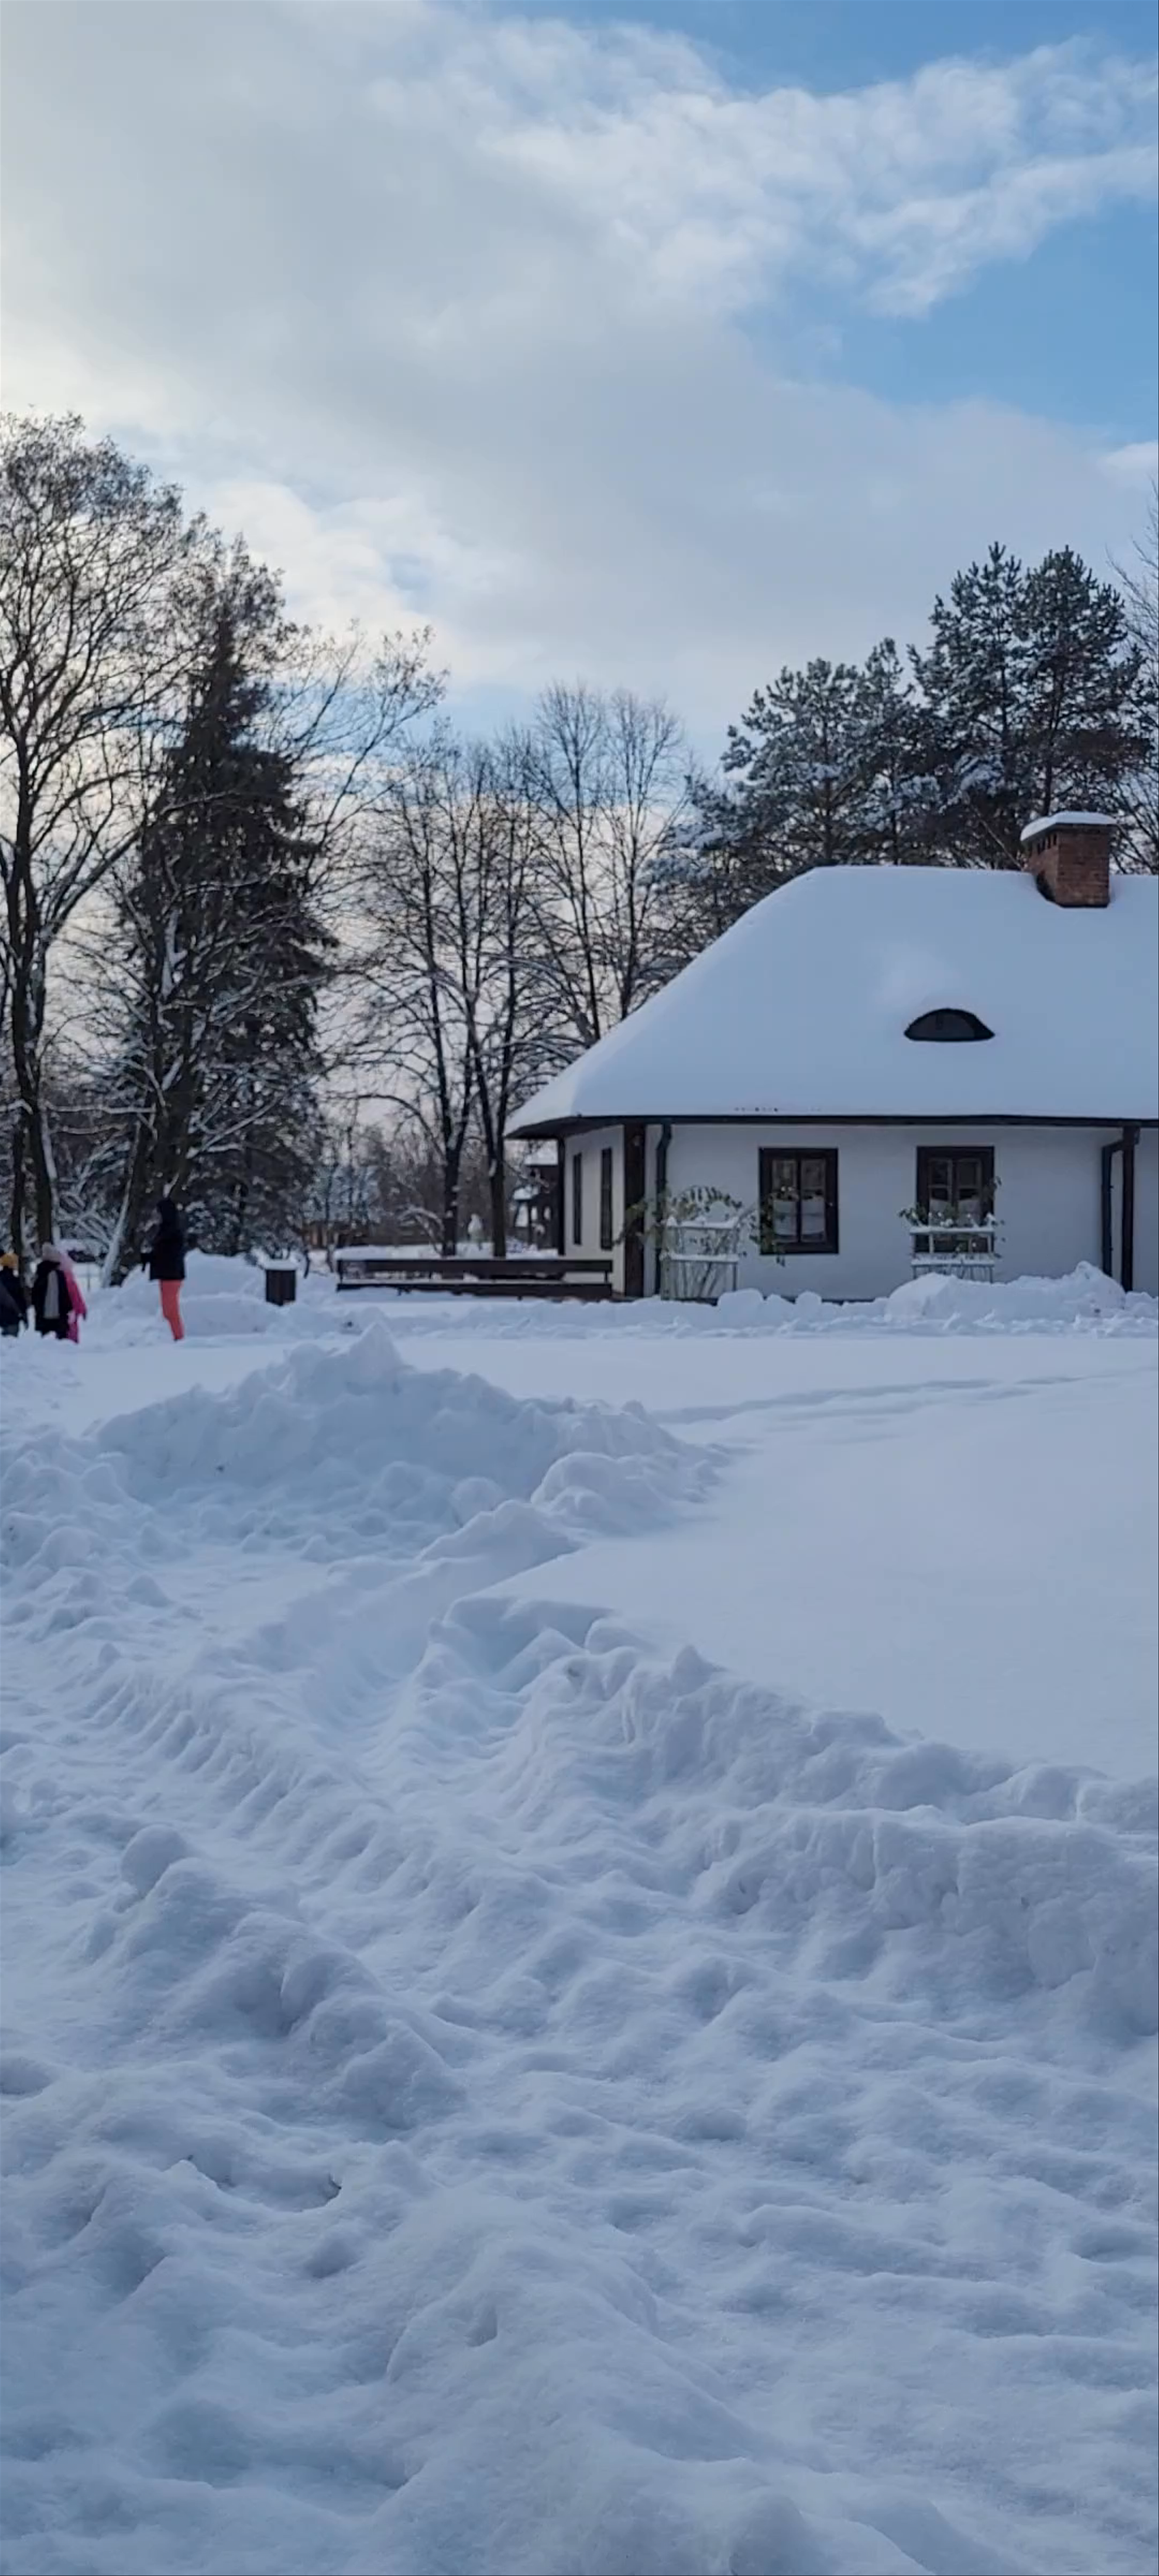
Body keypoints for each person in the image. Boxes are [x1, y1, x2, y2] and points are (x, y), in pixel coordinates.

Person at [146, 1195, 186, 1340]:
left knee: (171, 1311)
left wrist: (154, 1257)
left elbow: (169, 1254)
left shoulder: (173, 1232)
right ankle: (175, 1337)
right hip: (167, 1274)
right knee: (168, 1311)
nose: (156, 1216)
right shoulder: (165, 1230)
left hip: (172, 1275)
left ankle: (179, 1338)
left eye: (159, 1212)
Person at [30, 1244, 79, 1341]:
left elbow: (35, 1296)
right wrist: (70, 1309)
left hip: (43, 1316)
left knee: (47, 1344)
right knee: (60, 1344)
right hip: (59, 1317)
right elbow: (64, 1295)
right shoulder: (59, 1275)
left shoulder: (39, 1274)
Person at [0, 1252, 27, 1337]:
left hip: (2, 1316)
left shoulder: (1, 1280)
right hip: (14, 1316)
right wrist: (24, 1316)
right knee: (13, 1341)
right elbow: (21, 1300)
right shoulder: (16, 1281)